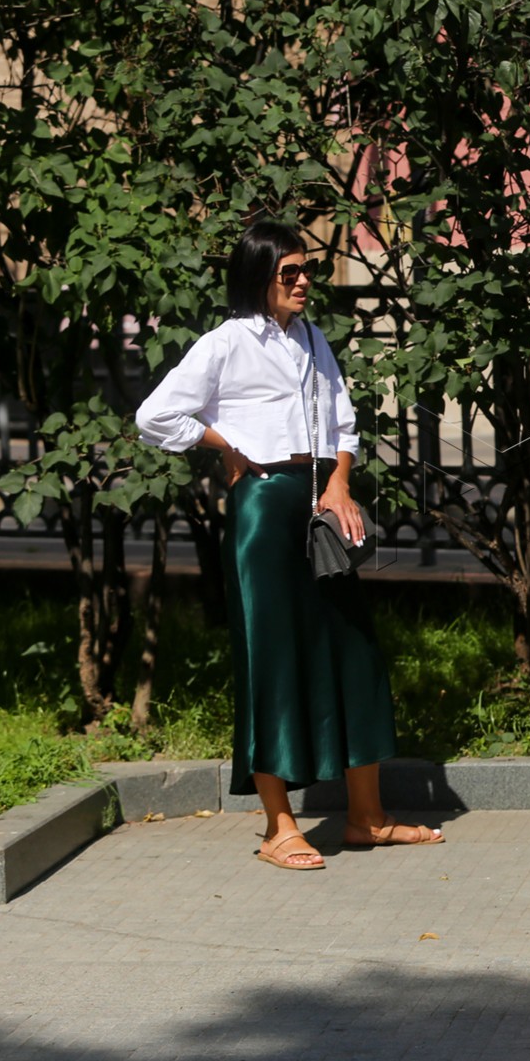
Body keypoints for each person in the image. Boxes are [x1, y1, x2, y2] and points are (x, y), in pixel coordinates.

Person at [137, 221, 441, 871]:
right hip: (264, 507)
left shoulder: (311, 337)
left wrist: (340, 482)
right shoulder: (226, 343)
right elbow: (154, 416)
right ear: (259, 278)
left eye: (308, 270)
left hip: (319, 503)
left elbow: (343, 420)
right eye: (289, 273)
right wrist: (226, 444)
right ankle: (279, 827)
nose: (304, 282)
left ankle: (366, 818)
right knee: (270, 659)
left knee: (354, 651)